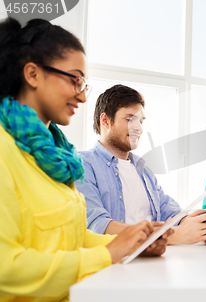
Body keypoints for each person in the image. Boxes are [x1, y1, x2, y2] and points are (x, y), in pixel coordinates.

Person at [0, 18, 165, 302]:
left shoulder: (56, 157)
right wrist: (108, 252)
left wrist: (130, 244)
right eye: (74, 79)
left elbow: (71, 236)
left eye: (84, 83)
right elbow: (6, 269)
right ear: (33, 74)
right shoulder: (5, 152)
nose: (83, 95)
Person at [76, 84, 206, 244]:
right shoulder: (82, 165)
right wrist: (172, 236)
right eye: (130, 120)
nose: (138, 128)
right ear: (105, 121)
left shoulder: (142, 168)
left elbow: (169, 210)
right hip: (118, 263)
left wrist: (200, 226)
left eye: (141, 121)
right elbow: (96, 225)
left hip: (157, 260)